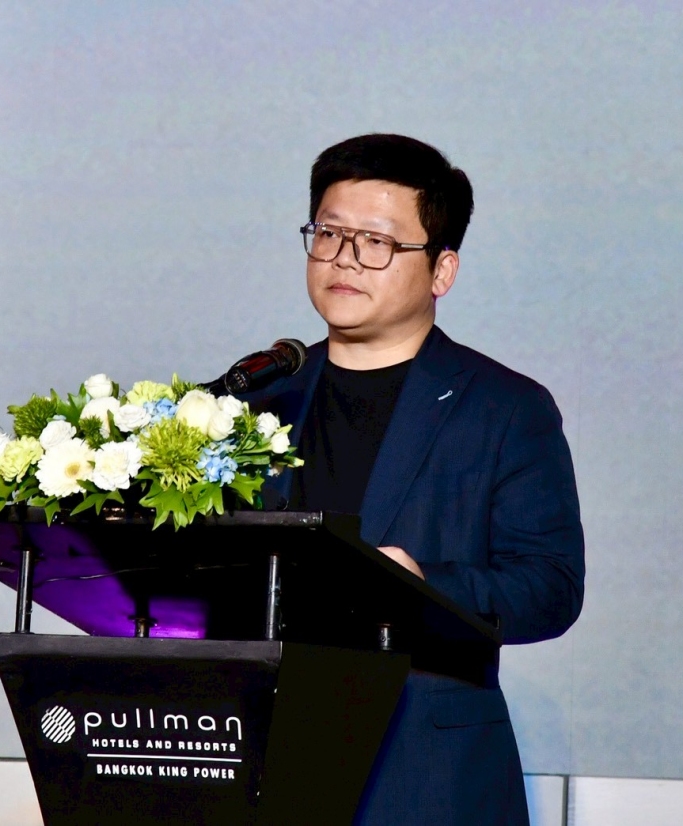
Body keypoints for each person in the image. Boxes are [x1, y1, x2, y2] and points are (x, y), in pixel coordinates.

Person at [247, 134, 585, 825]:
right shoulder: (262, 397)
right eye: (329, 233)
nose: (344, 258)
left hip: (425, 773)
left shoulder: (505, 408)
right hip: (265, 754)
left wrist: (421, 585)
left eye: (376, 242)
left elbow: (550, 587)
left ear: (441, 270)